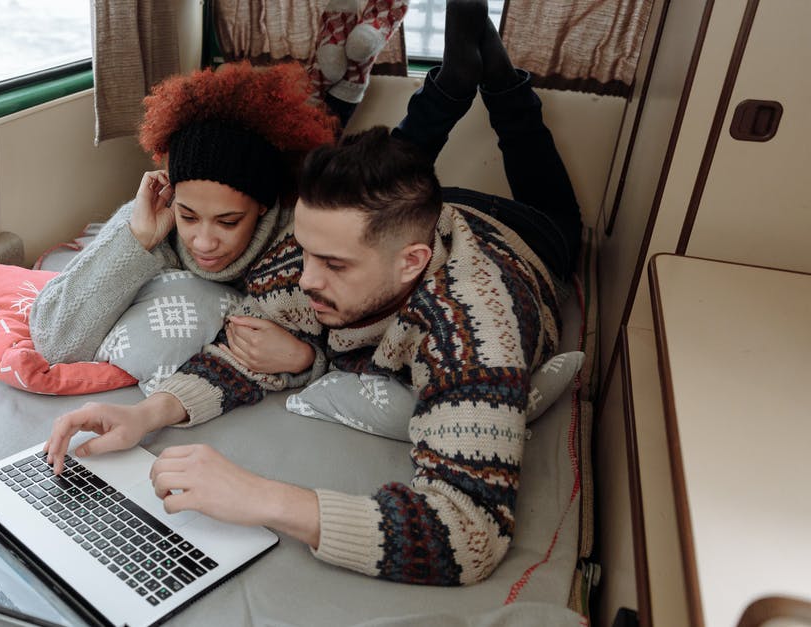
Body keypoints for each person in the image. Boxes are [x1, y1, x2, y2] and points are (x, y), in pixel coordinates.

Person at [43, 0, 582, 587]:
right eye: (305, 251)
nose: (303, 280)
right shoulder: (314, 257)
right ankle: (457, 83)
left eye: (332, 264)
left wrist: (265, 499)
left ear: (412, 265)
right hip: (426, 213)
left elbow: (469, 531)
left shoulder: (473, 325)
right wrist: (145, 414)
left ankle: (498, 81)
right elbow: (240, 354)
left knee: (549, 191)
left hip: (529, 238)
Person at [29, 62, 337, 376]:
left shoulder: (302, 239)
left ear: (262, 205)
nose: (203, 243)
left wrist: (306, 359)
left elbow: (365, 343)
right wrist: (137, 239)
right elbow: (54, 341)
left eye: (228, 222)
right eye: (188, 216)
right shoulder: (150, 221)